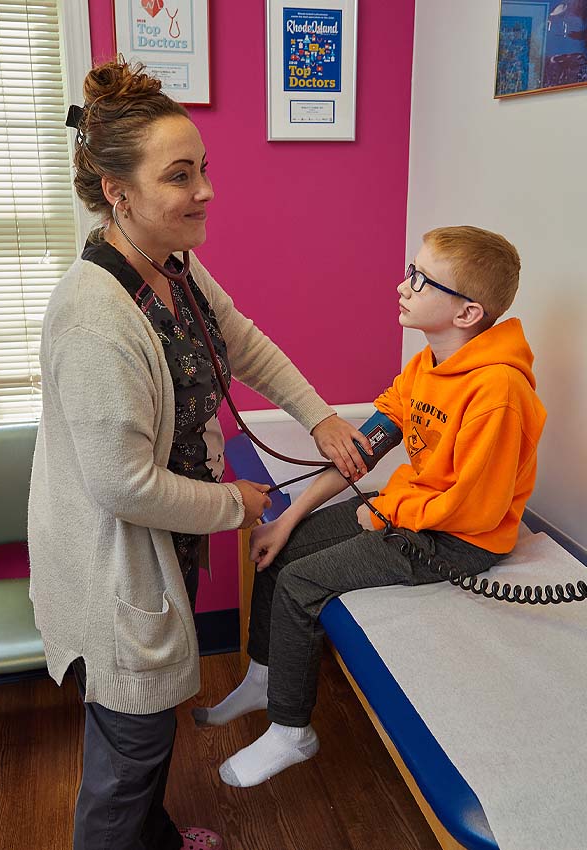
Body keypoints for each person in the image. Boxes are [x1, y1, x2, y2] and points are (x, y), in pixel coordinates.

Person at [27, 59, 372, 850]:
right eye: (180, 176)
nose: (206, 190)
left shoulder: (170, 264)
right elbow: (123, 486)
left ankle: (148, 836)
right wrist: (236, 506)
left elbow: (241, 341)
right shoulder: (94, 319)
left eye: (204, 168)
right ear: (119, 192)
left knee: (140, 738)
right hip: (115, 556)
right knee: (129, 749)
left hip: (155, 544)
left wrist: (318, 418)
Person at [194, 225, 547, 788]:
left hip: (457, 541)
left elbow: (475, 511)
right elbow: (362, 453)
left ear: (467, 313)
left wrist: (385, 512)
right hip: (412, 511)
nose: (402, 286)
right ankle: (265, 675)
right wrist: (288, 520)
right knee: (278, 554)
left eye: (420, 279)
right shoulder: (427, 367)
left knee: (302, 583)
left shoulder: (498, 394)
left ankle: (292, 731)